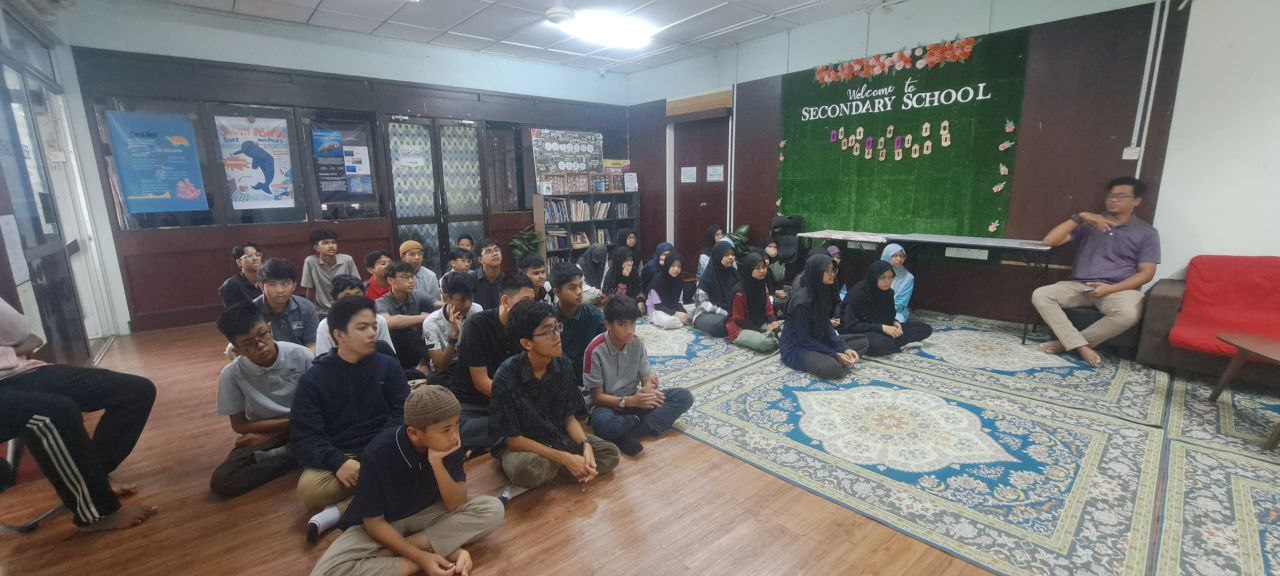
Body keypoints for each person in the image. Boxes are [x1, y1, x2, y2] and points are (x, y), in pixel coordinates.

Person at [309, 386, 504, 576]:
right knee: (326, 572)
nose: (455, 436)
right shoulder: (378, 453)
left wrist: (437, 464)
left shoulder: (450, 444)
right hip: (386, 524)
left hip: (429, 513)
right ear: (414, 434)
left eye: (457, 424)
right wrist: (420, 559)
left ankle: (388, 554)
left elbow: (456, 503)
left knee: (493, 509)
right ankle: (426, 554)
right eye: (446, 429)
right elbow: (374, 524)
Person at [0, 297, 158, 531]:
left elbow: (20, 331)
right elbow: (25, 341)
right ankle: (97, 512)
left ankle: (95, 481)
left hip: (16, 372)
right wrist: (12, 350)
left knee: (134, 391)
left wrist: (12, 350)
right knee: (55, 412)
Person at [291, 296, 409, 537]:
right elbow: (306, 437)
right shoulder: (313, 380)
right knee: (309, 490)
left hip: (385, 449)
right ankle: (388, 493)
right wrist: (338, 462)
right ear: (339, 335)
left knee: (428, 454)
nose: (372, 333)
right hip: (344, 456)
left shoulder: (388, 366)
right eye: (362, 328)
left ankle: (338, 511)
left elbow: (401, 414)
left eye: (374, 326)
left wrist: (376, 454)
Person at [488, 300, 620, 489]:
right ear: (526, 343)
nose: (557, 335)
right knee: (525, 470)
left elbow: (569, 418)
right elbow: (513, 440)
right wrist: (564, 458)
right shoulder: (506, 375)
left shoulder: (563, 364)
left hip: (556, 435)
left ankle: (566, 468)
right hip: (526, 446)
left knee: (610, 454)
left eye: (557, 327)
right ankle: (570, 466)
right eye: (548, 331)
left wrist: (585, 445)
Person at [1033, 176, 1160, 366]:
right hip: (1080, 285)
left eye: (1121, 196)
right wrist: (1081, 216)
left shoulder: (1147, 232)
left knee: (1128, 314)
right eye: (1110, 196)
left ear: (1137, 201)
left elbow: (1146, 273)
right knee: (1041, 295)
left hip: (1119, 289)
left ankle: (1066, 344)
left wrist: (1111, 289)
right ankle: (1080, 346)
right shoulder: (1088, 225)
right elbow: (1049, 241)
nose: (1113, 200)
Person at [211, 303, 311, 498]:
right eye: (249, 343)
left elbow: (321, 407)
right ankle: (294, 456)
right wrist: (277, 433)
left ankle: (288, 451)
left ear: (270, 328)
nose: (261, 345)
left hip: (307, 425)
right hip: (269, 429)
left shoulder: (301, 355)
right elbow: (240, 425)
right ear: (237, 350)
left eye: (263, 335)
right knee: (222, 480)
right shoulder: (231, 375)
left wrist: (278, 435)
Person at [585, 296, 694, 456]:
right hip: (607, 406)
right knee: (604, 424)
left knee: (683, 397)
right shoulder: (594, 350)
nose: (630, 330)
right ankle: (635, 427)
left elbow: (646, 378)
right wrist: (630, 402)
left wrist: (649, 387)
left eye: (633, 323)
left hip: (634, 401)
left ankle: (626, 435)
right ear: (608, 324)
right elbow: (597, 398)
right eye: (622, 324)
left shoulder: (637, 343)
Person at [449, 275, 537, 453]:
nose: (530, 309)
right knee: (458, 431)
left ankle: (496, 442)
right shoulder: (477, 324)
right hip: (473, 405)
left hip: (508, 405)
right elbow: (481, 382)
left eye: (532, 302)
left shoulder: (526, 328)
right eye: (525, 302)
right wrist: (520, 403)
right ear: (506, 301)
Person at [781, 254, 869, 380]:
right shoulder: (802, 302)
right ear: (816, 272)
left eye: (833, 270)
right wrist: (835, 354)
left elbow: (827, 326)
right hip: (797, 348)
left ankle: (836, 358)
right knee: (832, 368)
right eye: (826, 270)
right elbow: (804, 339)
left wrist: (844, 349)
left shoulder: (823, 292)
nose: (831, 274)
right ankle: (835, 361)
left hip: (818, 340)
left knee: (862, 341)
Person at [840, 260, 933, 356]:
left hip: (883, 329)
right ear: (874, 277)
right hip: (861, 332)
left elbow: (889, 316)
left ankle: (892, 342)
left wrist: (895, 322)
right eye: (883, 277)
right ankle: (893, 343)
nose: (888, 281)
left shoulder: (888, 292)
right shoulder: (857, 295)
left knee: (925, 329)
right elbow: (851, 326)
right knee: (879, 345)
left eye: (891, 277)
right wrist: (882, 328)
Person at [550, 264, 604, 390]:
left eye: (580, 286)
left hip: (590, 381)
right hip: (558, 382)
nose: (579, 292)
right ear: (557, 292)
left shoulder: (595, 317)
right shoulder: (548, 320)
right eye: (572, 288)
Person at [422, 273, 482, 384]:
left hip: (470, 365)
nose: (468, 304)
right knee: (434, 379)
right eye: (462, 300)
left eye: (470, 298)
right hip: (448, 370)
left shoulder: (476, 310)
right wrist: (454, 335)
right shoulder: (431, 322)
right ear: (446, 298)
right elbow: (439, 367)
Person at [314, 275, 395, 355]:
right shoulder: (325, 326)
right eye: (347, 297)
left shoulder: (378, 320)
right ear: (334, 302)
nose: (354, 301)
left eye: (358, 295)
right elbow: (323, 358)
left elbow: (389, 354)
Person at [377, 261, 433, 374]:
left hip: (420, 358)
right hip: (395, 359)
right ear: (390, 280)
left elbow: (438, 305)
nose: (411, 281)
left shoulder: (418, 295)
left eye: (411, 276)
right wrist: (424, 318)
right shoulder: (381, 302)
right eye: (405, 277)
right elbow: (389, 322)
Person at [253, 258, 319, 350]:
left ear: (294, 285)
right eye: (272, 284)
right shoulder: (251, 310)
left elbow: (312, 345)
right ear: (261, 286)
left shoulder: (307, 308)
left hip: (300, 356)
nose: (280, 290)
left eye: (285, 284)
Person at [728, 253, 783, 353]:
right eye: (757, 268)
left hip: (760, 322)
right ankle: (775, 338)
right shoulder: (740, 292)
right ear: (749, 269)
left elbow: (769, 310)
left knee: (787, 327)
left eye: (764, 267)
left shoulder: (762, 285)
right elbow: (739, 320)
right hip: (740, 328)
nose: (762, 271)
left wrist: (775, 325)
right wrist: (762, 330)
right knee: (766, 343)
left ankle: (777, 337)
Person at [301, 230, 360, 317]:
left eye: (333, 242)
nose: (331, 246)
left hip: (347, 308)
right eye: (326, 243)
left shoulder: (347, 260)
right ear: (316, 248)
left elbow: (357, 286)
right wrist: (309, 311)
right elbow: (310, 289)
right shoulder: (310, 261)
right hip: (321, 311)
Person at [692, 240, 738, 337]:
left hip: (730, 313)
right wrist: (721, 311)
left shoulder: (734, 274)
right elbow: (701, 303)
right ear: (718, 256)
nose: (731, 257)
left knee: (739, 320)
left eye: (732, 254)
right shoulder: (708, 276)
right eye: (726, 255)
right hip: (706, 313)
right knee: (721, 325)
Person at [646, 253, 692, 329]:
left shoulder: (679, 281)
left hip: (673, 308)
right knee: (668, 322)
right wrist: (676, 313)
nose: (676, 269)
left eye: (679, 266)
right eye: (673, 266)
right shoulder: (657, 282)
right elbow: (658, 306)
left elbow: (679, 303)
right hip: (656, 311)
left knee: (692, 311)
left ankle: (679, 320)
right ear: (667, 265)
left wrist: (684, 313)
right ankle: (679, 321)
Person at [599, 246, 645, 314]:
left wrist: (640, 301)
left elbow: (638, 291)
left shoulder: (634, 272)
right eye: (626, 260)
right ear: (619, 260)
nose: (629, 263)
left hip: (631, 303)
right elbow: (610, 298)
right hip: (615, 306)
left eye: (631, 260)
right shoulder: (612, 273)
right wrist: (624, 279)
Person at [400, 240, 443, 312]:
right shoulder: (397, 275)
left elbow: (435, 300)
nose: (417, 257)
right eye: (412, 254)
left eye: (419, 254)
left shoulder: (430, 275)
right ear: (403, 257)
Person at [219, 243, 263, 309]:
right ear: (239, 262)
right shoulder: (231, 285)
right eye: (249, 256)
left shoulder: (267, 280)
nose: (255, 258)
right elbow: (237, 313)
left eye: (257, 255)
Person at [880, 244, 915, 323]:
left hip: (895, 311)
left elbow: (901, 303)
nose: (899, 259)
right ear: (887, 256)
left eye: (902, 256)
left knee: (895, 322)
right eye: (895, 256)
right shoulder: (875, 272)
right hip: (873, 308)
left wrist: (884, 310)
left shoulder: (908, 278)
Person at [471, 239, 508, 311]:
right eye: (488, 252)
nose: (494, 254)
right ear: (480, 259)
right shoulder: (471, 279)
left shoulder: (508, 281)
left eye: (496, 250)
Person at [762, 238, 789, 313]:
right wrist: (774, 292)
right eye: (770, 246)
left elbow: (779, 277)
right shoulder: (761, 260)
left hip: (779, 290)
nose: (773, 249)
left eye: (775, 247)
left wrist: (774, 260)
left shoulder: (779, 259)